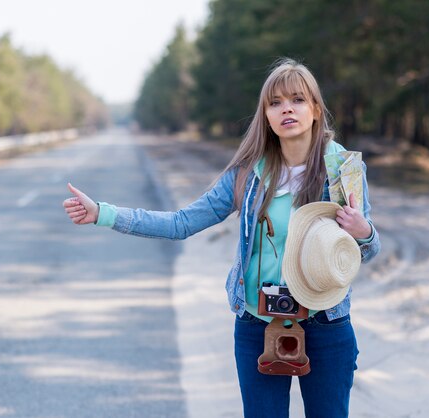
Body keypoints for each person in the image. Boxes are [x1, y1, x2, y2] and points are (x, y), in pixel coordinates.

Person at [62, 58, 381, 418]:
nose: (286, 109)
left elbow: (366, 250)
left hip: (326, 323)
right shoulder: (248, 173)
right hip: (258, 322)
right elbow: (182, 223)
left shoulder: (344, 169)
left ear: (316, 110)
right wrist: (103, 213)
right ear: (266, 115)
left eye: (297, 99)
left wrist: (363, 232)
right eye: (275, 103)